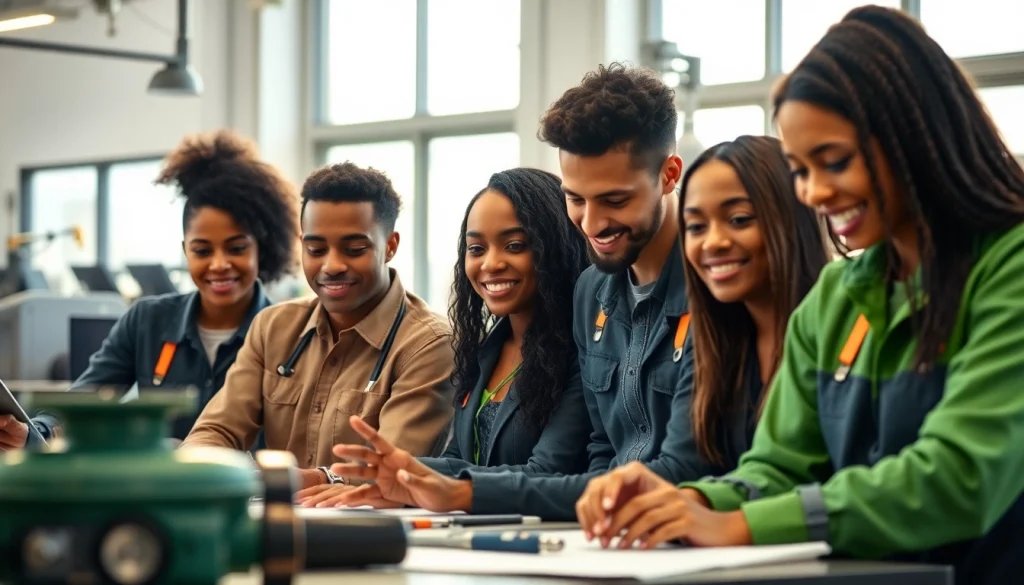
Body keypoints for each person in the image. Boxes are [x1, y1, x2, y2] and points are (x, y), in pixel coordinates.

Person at [578, 6, 1024, 584]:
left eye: (833, 162)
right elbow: (780, 465)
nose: (814, 192)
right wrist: (689, 501)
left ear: (912, 136)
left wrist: (738, 526)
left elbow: (960, 477)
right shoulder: (840, 293)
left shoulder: (1008, 266)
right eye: (800, 170)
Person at [320, 63, 757, 520]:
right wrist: (397, 477)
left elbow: (683, 468)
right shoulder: (593, 292)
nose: (591, 224)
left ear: (669, 175)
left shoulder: (711, 287)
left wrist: (467, 494)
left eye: (615, 200)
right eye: (576, 198)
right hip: (609, 534)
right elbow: (600, 453)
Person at [573, 135, 828, 548]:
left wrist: (696, 506)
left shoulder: (830, 326)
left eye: (739, 219)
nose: (713, 242)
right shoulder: (720, 341)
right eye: (695, 226)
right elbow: (762, 475)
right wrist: (681, 502)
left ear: (789, 218)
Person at [296, 167, 594, 509]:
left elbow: (547, 471)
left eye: (514, 245)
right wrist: (349, 477)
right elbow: (458, 461)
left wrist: (438, 491)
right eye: (477, 248)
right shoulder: (486, 351)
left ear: (554, 247)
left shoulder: (582, 351)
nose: (491, 263)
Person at [0, 129, 299, 451]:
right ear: (185, 251)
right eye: (202, 251)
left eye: (236, 248)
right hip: (155, 492)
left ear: (261, 249)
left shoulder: (287, 335)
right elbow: (85, 399)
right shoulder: (148, 321)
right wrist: (32, 433)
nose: (219, 264)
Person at [181, 161, 457, 490]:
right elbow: (218, 430)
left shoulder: (430, 344)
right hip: (281, 523)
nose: (332, 265)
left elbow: (391, 470)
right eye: (316, 249)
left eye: (354, 249)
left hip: (370, 530)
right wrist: (201, 467)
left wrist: (314, 479)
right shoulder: (273, 328)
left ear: (391, 246)